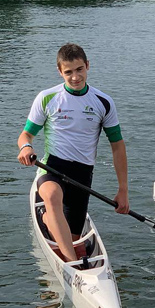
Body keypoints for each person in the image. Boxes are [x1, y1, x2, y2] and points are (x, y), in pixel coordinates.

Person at [17, 43, 130, 263]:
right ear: (60, 72)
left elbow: (117, 146)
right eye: (68, 72)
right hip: (52, 167)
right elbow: (25, 136)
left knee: (72, 236)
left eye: (79, 69)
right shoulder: (47, 98)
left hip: (82, 173)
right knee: (50, 196)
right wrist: (26, 147)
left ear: (88, 66)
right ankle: (72, 262)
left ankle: (48, 218)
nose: (75, 77)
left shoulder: (103, 102)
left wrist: (123, 190)